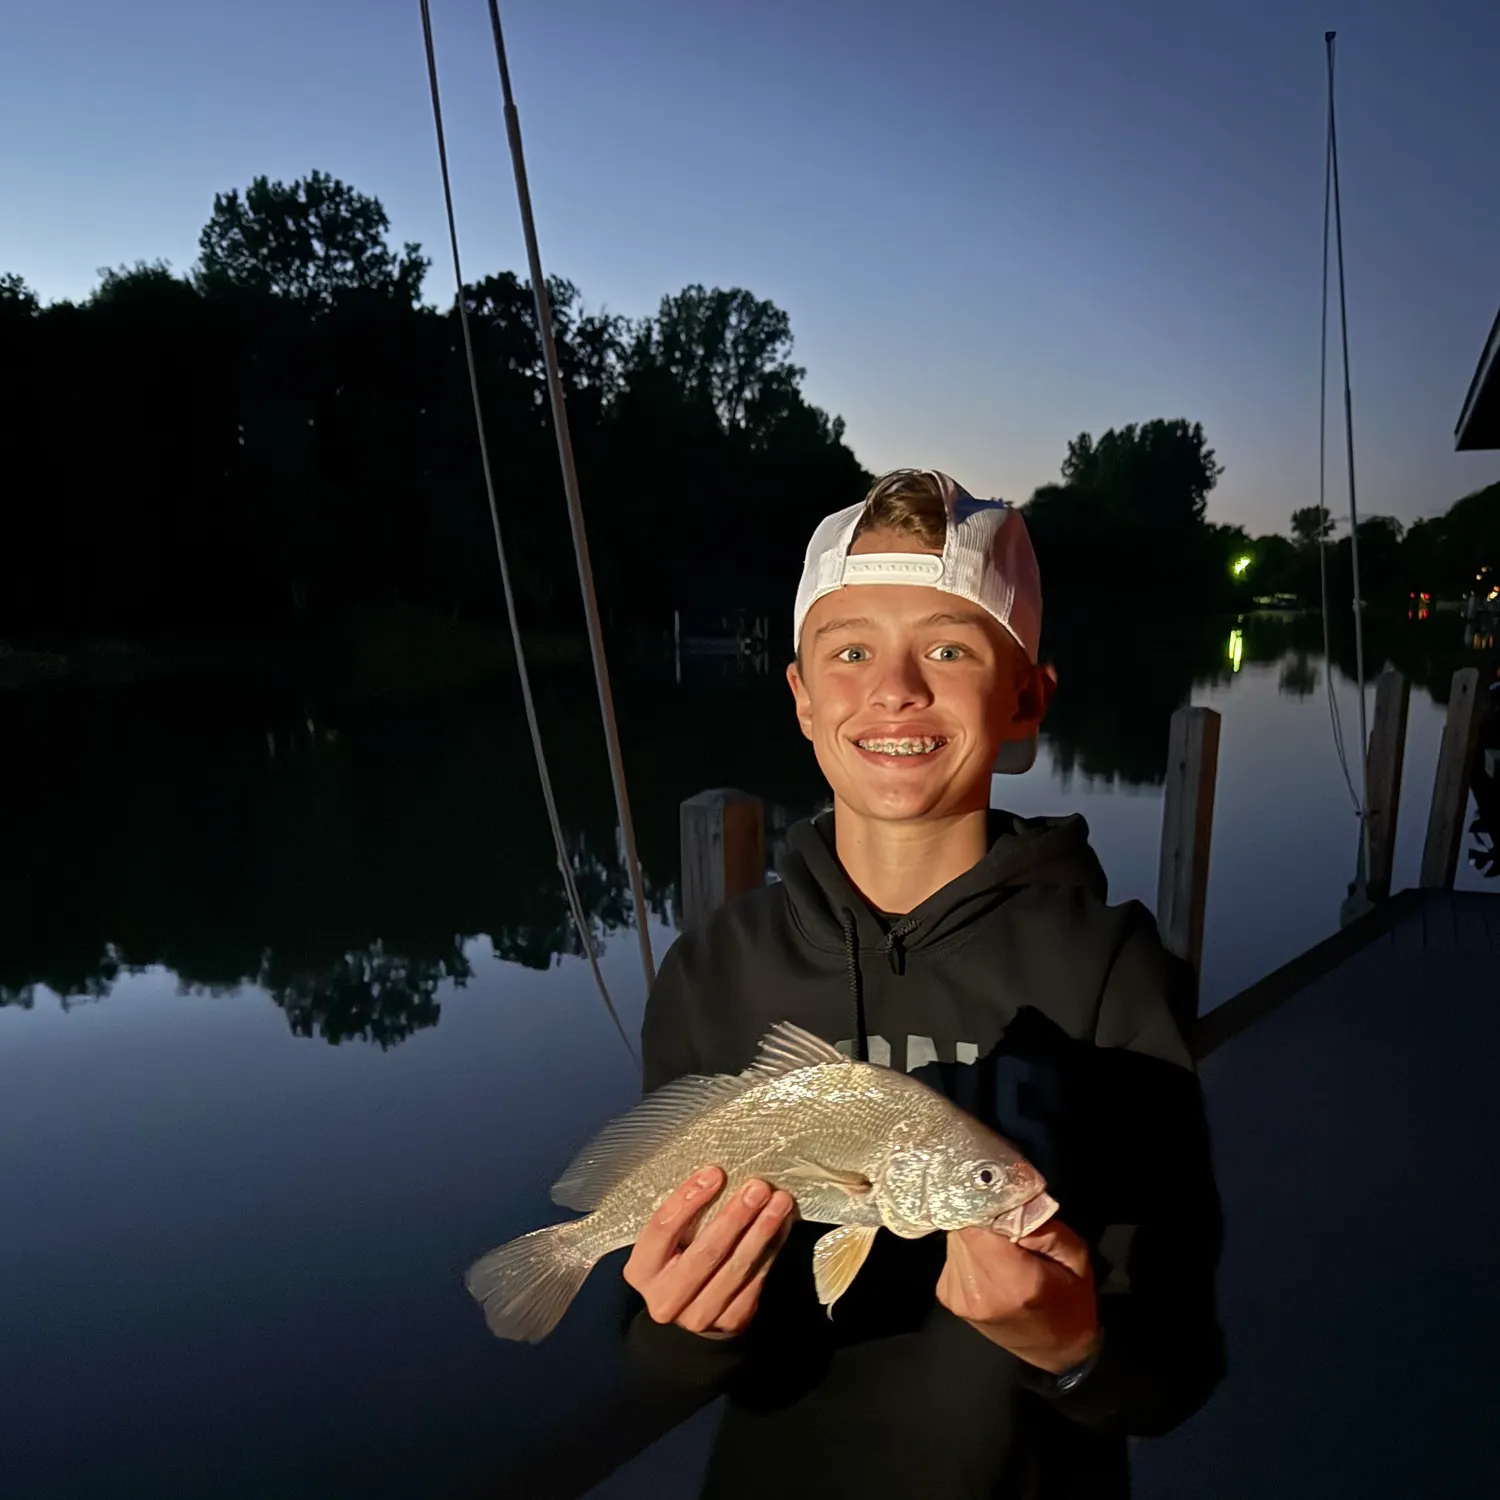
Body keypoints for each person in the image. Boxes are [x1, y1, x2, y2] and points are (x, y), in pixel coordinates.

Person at [620, 469, 1226, 1499]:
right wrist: (689, 1329)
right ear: (803, 698)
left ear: (1027, 694)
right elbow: (652, 1352)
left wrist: (1072, 1341)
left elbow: (1171, 1373)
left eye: (948, 648)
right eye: (849, 651)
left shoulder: (1111, 973)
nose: (894, 688)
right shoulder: (714, 969)